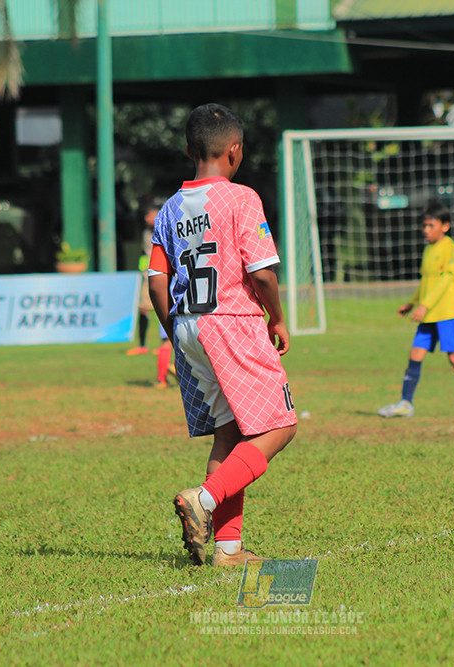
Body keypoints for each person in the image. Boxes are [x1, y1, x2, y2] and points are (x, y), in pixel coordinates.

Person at [148, 103, 297, 567]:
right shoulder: (241, 198)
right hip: (232, 321)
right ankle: (204, 500)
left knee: (228, 434)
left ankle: (227, 551)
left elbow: (156, 280)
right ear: (234, 151)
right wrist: (276, 316)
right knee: (281, 425)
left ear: (188, 149)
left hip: (188, 325)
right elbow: (263, 272)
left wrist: (175, 331)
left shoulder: (169, 208)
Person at [377, 202, 454, 419]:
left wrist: (424, 305)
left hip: (447, 312)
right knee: (415, 354)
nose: (426, 230)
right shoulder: (429, 249)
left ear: (445, 226)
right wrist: (412, 302)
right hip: (429, 313)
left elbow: (446, 279)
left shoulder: (450, 248)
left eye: (431, 225)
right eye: (424, 225)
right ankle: (405, 403)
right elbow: (427, 282)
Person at [125, 200, 161, 356]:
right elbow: (144, 253)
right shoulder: (146, 232)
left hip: (164, 275)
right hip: (148, 275)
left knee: (165, 309)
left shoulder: (166, 229)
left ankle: (167, 344)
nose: (147, 218)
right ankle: (142, 344)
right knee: (143, 308)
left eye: (149, 214)